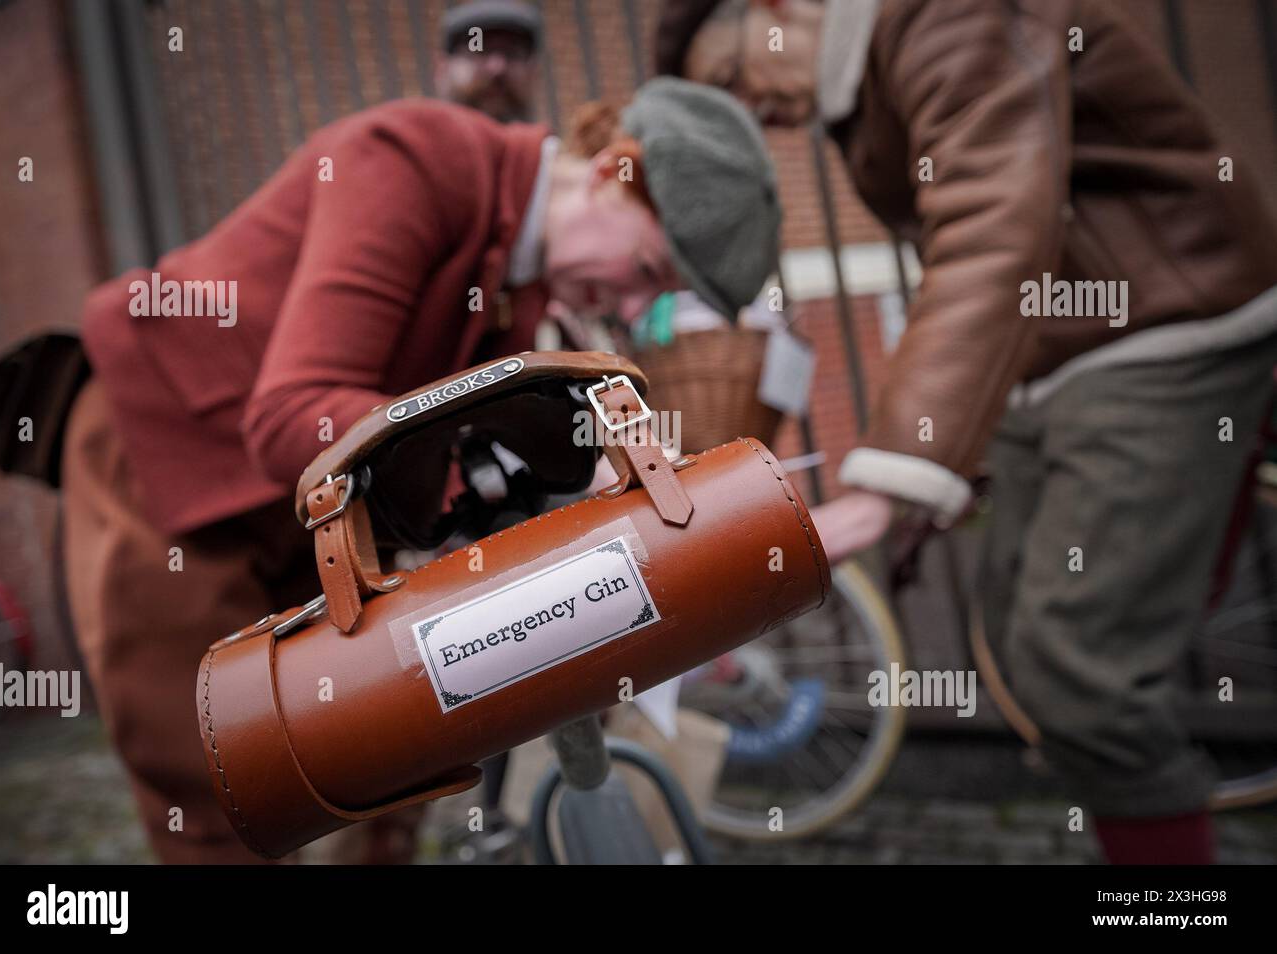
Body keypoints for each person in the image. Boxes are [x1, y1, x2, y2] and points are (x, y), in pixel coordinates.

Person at [62, 76, 781, 863]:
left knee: (386, 741)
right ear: (611, 173)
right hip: (169, 449)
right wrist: (458, 478)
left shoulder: (531, 282)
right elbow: (288, 415)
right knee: (221, 772)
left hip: (318, 495)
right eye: (647, 268)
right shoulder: (412, 160)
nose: (636, 306)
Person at [657, 0, 1277, 864]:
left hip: (1163, 320)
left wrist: (888, 481)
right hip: (1060, 348)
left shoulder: (947, 13)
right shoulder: (863, 78)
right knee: (1022, 640)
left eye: (734, 80)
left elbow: (992, 217)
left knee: (1078, 674)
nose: (754, 115)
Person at [437, 0, 542, 124]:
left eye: (512, 53)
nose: (497, 67)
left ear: (534, 71)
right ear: (442, 67)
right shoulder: (412, 142)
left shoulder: (556, 143)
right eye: (478, 50)